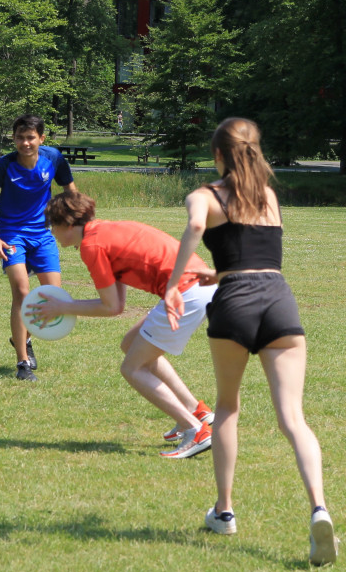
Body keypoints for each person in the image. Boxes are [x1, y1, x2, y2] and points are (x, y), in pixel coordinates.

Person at [163, 117, 337, 566]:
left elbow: (198, 228)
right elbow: (257, 257)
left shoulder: (205, 195)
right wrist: (214, 272)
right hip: (279, 299)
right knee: (293, 418)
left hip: (236, 304)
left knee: (227, 408)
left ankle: (224, 511)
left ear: (218, 154)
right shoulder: (269, 197)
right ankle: (319, 507)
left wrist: (172, 284)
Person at [32, 190, 216, 458]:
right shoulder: (102, 231)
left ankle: (195, 430)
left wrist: (61, 307)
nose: (53, 234)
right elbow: (117, 303)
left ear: (68, 225)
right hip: (200, 284)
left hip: (186, 292)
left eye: (53, 227)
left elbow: (110, 307)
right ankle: (195, 410)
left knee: (132, 368)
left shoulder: (91, 246)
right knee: (131, 343)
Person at [0, 114, 78, 381]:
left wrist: (71, 219)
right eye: (20, 137)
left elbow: (70, 190)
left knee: (54, 296)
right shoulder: (4, 165)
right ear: (14, 139)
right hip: (11, 235)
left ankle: (21, 336)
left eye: (30, 137)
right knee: (22, 291)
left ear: (41, 139)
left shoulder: (53, 158)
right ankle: (22, 363)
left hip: (43, 234)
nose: (25, 143)